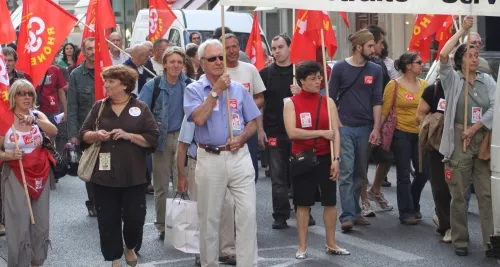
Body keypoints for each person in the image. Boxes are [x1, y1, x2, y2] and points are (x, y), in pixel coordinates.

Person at [184, 39, 260, 267]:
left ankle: (248, 263)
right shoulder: (193, 89)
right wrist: (216, 92)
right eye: (213, 58)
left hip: (239, 157)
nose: (219, 62)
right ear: (202, 63)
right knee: (210, 218)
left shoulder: (238, 88)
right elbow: (198, 118)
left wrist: (241, 137)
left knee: (247, 214)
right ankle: (209, 263)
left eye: (221, 57)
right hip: (210, 158)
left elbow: (253, 122)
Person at [80, 65, 159, 267]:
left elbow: (152, 139)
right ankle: (114, 256)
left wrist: (129, 136)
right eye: (105, 80)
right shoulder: (99, 107)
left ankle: (130, 245)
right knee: (107, 219)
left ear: (125, 85)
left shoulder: (141, 108)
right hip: (104, 175)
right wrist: (96, 135)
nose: (106, 85)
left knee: (135, 218)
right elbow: (84, 134)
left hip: (133, 174)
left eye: (111, 81)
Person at [438, 16, 495, 257]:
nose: (475, 59)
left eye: (476, 55)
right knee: (459, 194)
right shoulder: (452, 79)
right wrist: (462, 30)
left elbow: (496, 107)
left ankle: (491, 241)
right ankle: (460, 240)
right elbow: (442, 56)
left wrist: (476, 127)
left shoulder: (487, 80)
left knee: (486, 194)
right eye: (470, 55)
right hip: (458, 141)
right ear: (460, 60)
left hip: (480, 140)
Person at [283, 61, 349, 259]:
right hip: (303, 158)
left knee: (330, 202)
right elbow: (292, 132)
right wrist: (321, 132)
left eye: (319, 77)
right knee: (303, 204)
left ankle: (331, 242)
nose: (318, 81)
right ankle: (302, 246)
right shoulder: (291, 103)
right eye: (312, 78)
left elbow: (336, 132)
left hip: (325, 157)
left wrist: (336, 159)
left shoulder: (327, 101)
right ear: (302, 81)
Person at [328, 29, 382, 232]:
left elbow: (377, 100)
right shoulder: (340, 68)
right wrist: (336, 124)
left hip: (366, 127)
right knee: (346, 171)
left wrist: (376, 128)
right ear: (359, 47)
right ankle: (347, 216)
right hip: (345, 127)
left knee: (360, 172)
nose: (373, 48)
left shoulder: (375, 70)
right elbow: (331, 99)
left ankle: (356, 211)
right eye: (369, 46)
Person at [0, 79, 58, 267]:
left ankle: (36, 262)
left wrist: (37, 120)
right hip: (16, 174)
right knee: (19, 223)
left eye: (30, 93)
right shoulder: (5, 118)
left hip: (40, 173)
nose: (26, 96)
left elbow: (54, 130)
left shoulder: (37, 114)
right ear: (13, 96)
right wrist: (8, 155)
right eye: (21, 93)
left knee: (40, 222)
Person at [138, 46, 192, 240]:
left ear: (183, 65)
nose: (176, 65)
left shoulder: (190, 85)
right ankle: (162, 225)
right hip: (160, 139)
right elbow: (140, 110)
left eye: (179, 62)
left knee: (183, 183)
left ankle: (183, 222)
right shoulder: (153, 85)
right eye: (172, 62)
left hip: (184, 139)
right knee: (160, 186)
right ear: (165, 64)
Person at [176, 115, 238, 266]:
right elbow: (182, 145)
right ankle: (200, 251)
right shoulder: (195, 111)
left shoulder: (226, 108)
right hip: (199, 162)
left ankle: (226, 250)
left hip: (224, 161)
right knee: (200, 209)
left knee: (228, 205)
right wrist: (181, 176)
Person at [381, 52, 428, 225]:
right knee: (403, 175)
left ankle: (413, 203)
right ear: (408, 66)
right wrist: (377, 131)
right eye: (419, 62)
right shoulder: (394, 85)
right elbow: (385, 110)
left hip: (421, 134)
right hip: (400, 133)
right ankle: (406, 212)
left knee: (423, 172)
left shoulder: (424, 84)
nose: (422, 65)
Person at [259, 34, 295, 229]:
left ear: (289, 47)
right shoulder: (265, 74)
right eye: (274, 48)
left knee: (300, 174)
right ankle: (280, 214)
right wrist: (260, 130)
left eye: (281, 47)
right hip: (274, 131)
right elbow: (259, 104)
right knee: (278, 177)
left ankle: (302, 208)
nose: (277, 51)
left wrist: (302, 92)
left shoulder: (300, 71)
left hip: (298, 132)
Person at [223, 33, 266, 182]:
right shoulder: (217, 71)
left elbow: (260, 97)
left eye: (234, 46)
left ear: (239, 48)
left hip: (248, 128)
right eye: (227, 48)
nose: (231, 51)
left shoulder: (250, 69)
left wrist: (245, 109)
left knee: (250, 171)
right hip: (224, 130)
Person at [416, 79, 452, 242]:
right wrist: (435, 123)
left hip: (459, 144)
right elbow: (420, 115)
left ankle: (456, 224)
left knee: (458, 190)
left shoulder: (463, 88)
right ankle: (446, 226)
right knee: (441, 187)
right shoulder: (434, 90)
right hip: (436, 146)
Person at [67, 37, 98, 217]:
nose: (93, 52)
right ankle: (93, 201)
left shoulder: (108, 70)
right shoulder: (76, 75)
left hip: (108, 129)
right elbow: (72, 107)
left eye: (95, 48)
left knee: (106, 166)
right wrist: (73, 134)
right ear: (84, 52)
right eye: (89, 49)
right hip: (86, 131)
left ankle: (104, 200)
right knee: (90, 167)